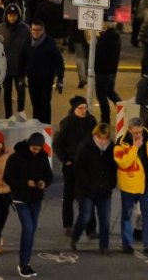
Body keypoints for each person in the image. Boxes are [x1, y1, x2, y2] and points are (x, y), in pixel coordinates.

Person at [3, 132, 53, 278]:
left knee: (31, 230)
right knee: (29, 228)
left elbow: (49, 175)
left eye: (38, 149)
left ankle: (27, 262)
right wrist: (25, 183)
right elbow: (7, 177)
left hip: (36, 198)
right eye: (33, 148)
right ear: (29, 145)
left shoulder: (43, 157)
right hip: (21, 197)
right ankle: (23, 263)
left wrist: (44, 182)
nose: (36, 151)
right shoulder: (16, 157)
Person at [53, 96, 98, 239]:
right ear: (74, 109)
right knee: (69, 195)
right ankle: (68, 225)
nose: (84, 111)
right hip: (71, 165)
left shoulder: (91, 121)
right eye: (81, 108)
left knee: (88, 196)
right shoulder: (67, 123)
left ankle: (91, 228)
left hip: (87, 165)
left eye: (85, 108)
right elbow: (58, 143)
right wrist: (65, 159)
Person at [115, 117, 148, 256]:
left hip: (147, 185)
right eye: (135, 132)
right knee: (127, 215)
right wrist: (134, 147)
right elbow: (123, 163)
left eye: (140, 132)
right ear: (129, 130)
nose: (139, 135)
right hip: (129, 185)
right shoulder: (121, 143)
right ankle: (127, 244)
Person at [71, 123, 116, 254]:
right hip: (87, 190)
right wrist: (86, 183)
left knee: (105, 220)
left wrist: (111, 183)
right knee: (85, 216)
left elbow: (113, 167)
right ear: (95, 135)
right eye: (100, 137)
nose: (102, 141)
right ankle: (75, 237)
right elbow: (78, 167)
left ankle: (104, 246)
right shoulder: (86, 147)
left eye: (105, 138)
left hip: (104, 190)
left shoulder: (111, 148)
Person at [19, 20, 64, 125]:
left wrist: (60, 78)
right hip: (32, 79)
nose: (35, 32)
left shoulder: (49, 43)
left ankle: (45, 126)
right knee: (35, 105)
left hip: (46, 80)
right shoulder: (27, 42)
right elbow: (21, 59)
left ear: (43, 30)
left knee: (44, 104)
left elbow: (58, 60)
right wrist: (21, 76)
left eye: (38, 30)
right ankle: (37, 126)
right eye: (33, 30)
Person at [0, 5, 30, 118]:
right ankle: (8, 114)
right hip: (6, 66)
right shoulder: (0, 28)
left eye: (14, 15)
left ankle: (21, 111)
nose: (12, 17)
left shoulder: (25, 29)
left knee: (21, 89)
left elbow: (29, 45)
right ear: (6, 15)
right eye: (10, 15)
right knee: (7, 91)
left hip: (20, 65)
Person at [94, 23, 123, 123]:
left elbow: (101, 56)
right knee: (110, 92)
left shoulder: (105, 39)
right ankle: (123, 111)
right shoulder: (114, 36)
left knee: (101, 95)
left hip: (103, 71)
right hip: (111, 70)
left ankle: (105, 119)